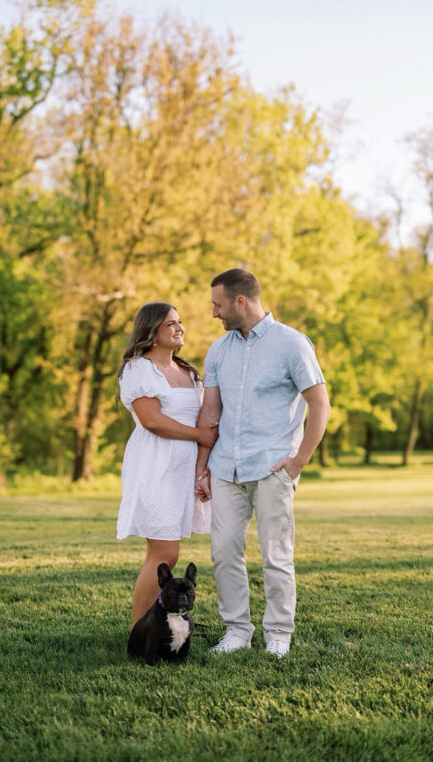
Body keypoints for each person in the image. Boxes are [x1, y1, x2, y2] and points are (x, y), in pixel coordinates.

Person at [195, 268, 330, 659]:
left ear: (241, 302)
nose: (214, 313)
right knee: (223, 552)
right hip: (225, 468)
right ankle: (237, 630)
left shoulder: (292, 344)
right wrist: (202, 467)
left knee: (276, 554)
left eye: (218, 305)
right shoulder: (219, 350)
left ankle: (278, 634)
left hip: (273, 468)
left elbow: (320, 404)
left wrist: (298, 462)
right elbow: (210, 413)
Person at [116, 302, 217, 626]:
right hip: (155, 466)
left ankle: (160, 622)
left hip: (183, 470)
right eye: (170, 323)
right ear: (151, 331)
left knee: (166, 551)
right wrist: (199, 434)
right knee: (164, 554)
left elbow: (205, 417)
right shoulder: (139, 369)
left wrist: (204, 464)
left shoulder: (188, 372)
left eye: (180, 321)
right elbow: (152, 421)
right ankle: (139, 629)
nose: (179, 328)